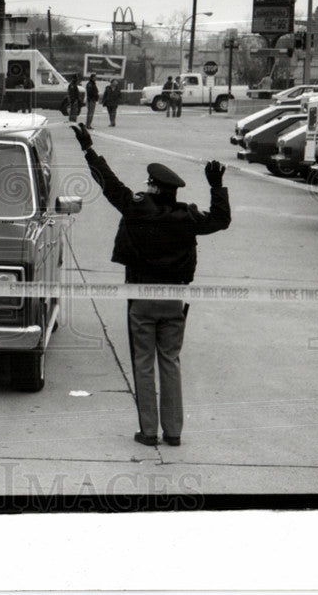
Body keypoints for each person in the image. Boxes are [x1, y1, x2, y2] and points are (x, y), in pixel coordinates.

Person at [71, 124, 231, 447]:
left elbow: (110, 185)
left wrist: (88, 149)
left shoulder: (137, 209)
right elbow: (221, 219)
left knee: (143, 363)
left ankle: (148, 431)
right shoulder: (187, 217)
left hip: (141, 298)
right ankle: (173, 432)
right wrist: (217, 185)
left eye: (149, 183)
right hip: (174, 300)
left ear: (156, 189)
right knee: (170, 361)